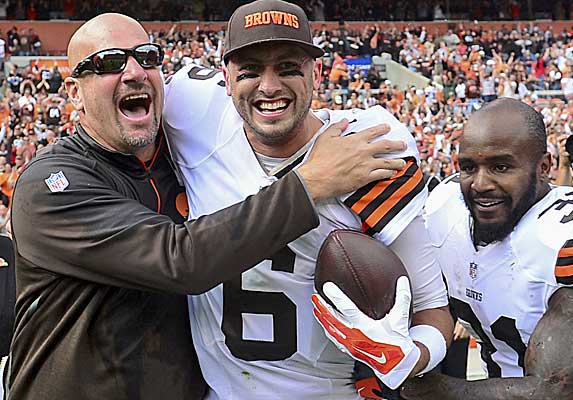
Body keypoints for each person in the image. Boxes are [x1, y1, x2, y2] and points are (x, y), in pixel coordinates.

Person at [4, 13, 408, 400]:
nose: (133, 72)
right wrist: (310, 182)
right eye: (109, 62)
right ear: (74, 92)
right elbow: (180, 259)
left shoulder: (177, 151)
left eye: (147, 58)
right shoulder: (51, 186)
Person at [162, 1, 453, 398]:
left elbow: (434, 312)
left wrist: (408, 355)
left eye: (287, 68)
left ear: (316, 73)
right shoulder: (193, 112)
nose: (269, 86)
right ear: (225, 79)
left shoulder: (369, 148)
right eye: (250, 71)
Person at [399, 98, 573, 399]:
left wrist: (438, 390)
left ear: (544, 167)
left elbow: (550, 390)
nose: (480, 184)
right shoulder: (445, 208)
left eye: (501, 167)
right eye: (469, 167)